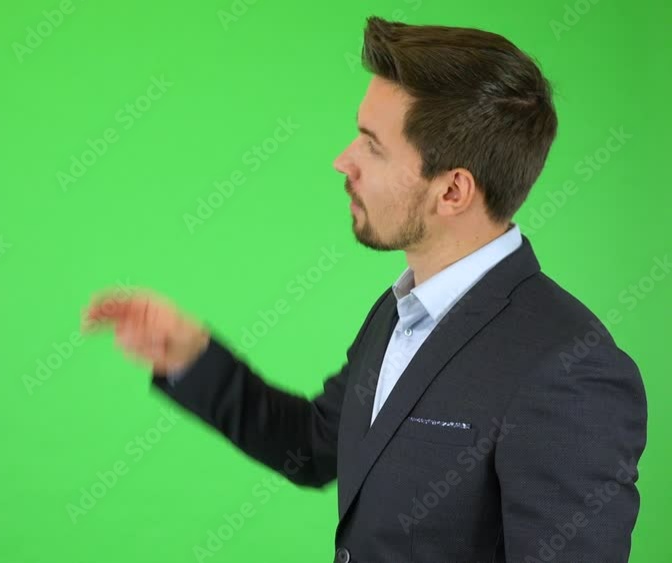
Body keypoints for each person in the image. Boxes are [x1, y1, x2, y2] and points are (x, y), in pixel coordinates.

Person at [81, 16, 647, 563]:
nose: (343, 161)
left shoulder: (571, 371)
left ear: (452, 192)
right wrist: (191, 357)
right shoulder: (400, 311)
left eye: (373, 146)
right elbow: (314, 445)